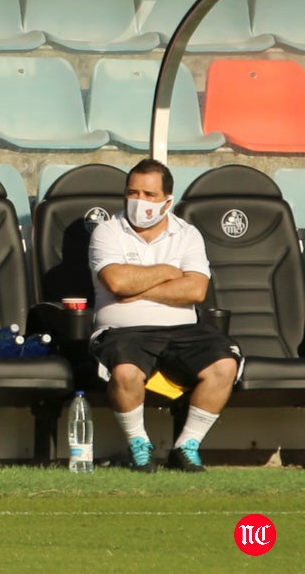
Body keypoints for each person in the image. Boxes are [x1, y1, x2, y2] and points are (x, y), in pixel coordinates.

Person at [88, 158, 241, 473]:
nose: (139, 202)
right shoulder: (107, 232)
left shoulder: (187, 234)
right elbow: (116, 282)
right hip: (122, 331)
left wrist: (138, 289)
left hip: (182, 331)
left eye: (148, 194)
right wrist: (169, 272)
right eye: (132, 193)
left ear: (167, 201)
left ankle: (186, 447)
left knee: (224, 364)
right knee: (125, 372)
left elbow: (196, 290)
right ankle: (139, 446)